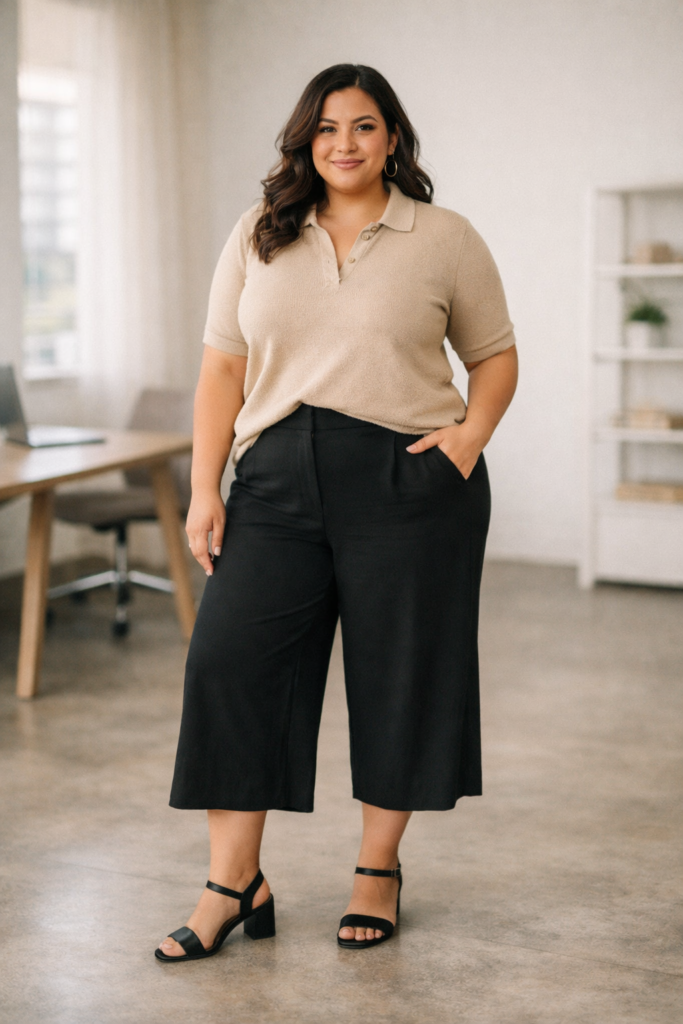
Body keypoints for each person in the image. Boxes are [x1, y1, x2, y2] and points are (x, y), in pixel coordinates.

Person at [156, 63, 518, 961]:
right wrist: (206, 487)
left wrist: (468, 439)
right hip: (275, 480)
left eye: (362, 126)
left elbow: (495, 356)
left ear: (391, 137)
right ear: (303, 140)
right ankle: (232, 882)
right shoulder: (259, 233)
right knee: (229, 666)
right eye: (325, 129)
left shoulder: (444, 236)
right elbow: (222, 371)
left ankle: (376, 872)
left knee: (400, 676)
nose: (343, 144)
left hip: (407, 482)